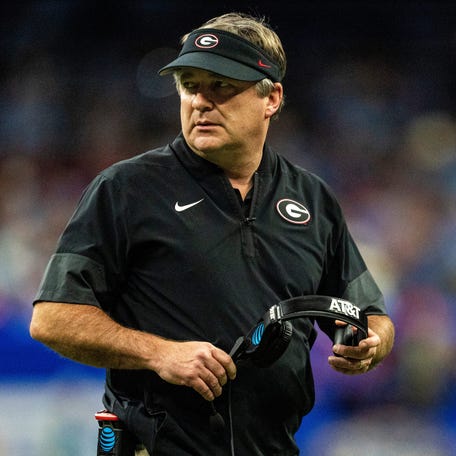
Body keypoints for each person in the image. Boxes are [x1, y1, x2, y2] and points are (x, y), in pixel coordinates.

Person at [30, 12, 395, 456]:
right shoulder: (126, 189)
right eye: (189, 84)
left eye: (222, 86)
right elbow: (52, 318)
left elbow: (371, 314)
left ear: (272, 98)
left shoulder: (312, 200)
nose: (200, 100)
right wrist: (159, 353)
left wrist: (370, 344)